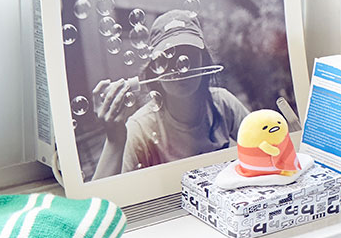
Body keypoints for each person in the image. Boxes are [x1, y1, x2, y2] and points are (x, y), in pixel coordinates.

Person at [92, 9, 248, 176]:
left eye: (188, 54)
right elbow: (100, 201)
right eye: (167, 57)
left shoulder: (223, 103)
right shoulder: (140, 128)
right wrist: (114, 141)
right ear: (154, 69)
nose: (180, 68)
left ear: (204, 60)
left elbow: (268, 147)